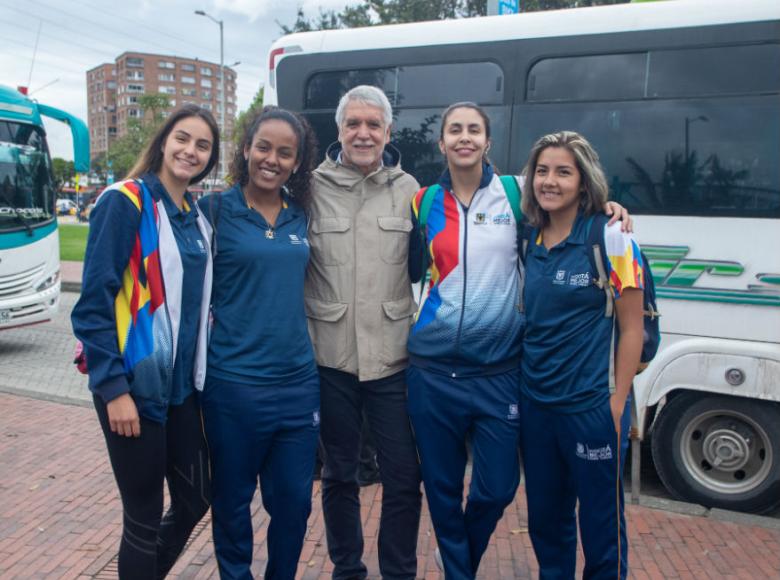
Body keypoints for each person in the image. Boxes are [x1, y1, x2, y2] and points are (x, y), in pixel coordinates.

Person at [406, 103, 631, 579]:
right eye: (454, 130)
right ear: (441, 142)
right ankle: (459, 572)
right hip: (431, 372)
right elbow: (411, 271)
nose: (463, 138)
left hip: (498, 374)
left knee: (497, 489)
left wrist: (609, 208)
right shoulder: (422, 201)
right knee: (443, 492)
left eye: (474, 130)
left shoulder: (515, 195)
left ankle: (461, 559)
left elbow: (567, 200)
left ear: (488, 142)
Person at [71, 104, 219, 579]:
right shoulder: (126, 201)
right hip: (132, 388)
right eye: (182, 138)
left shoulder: (195, 216)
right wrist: (113, 390)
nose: (190, 151)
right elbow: (93, 304)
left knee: (197, 496)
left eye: (202, 145)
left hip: (180, 392)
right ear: (163, 141)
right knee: (142, 515)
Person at [198, 106, 320, 580]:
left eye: (285, 153)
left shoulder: (302, 216)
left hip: (297, 385)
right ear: (246, 149)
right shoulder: (214, 212)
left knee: (293, 503)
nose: (272, 159)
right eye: (263, 147)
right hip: (232, 386)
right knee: (231, 501)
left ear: (297, 161)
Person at [306, 85, 422, 580]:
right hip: (330, 358)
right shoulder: (308, 186)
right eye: (353, 123)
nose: (363, 133)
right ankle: (347, 568)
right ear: (339, 130)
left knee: (403, 477)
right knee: (338, 475)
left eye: (373, 124)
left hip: (393, 360)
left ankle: (398, 571)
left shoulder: (410, 189)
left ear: (388, 132)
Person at [518, 131, 644, 579]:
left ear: (584, 182)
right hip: (537, 407)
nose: (549, 181)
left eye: (563, 172)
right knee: (546, 524)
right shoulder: (528, 238)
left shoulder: (611, 236)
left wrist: (618, 403)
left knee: (600, 527)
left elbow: (633, 328)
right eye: (542, 171)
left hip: (591, 407)